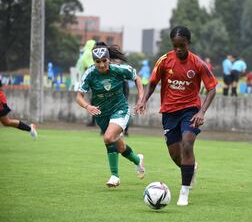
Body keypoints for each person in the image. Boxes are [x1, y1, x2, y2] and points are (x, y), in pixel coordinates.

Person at [138, 26, 217, 206]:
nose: (178, 49)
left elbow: (212, 88)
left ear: (188, 43)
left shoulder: (198, 64)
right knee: (176, 155)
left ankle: (184, 193)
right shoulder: (165, 61)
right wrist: (143, 100)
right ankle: (191, 168)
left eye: (182, 46)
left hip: (190, 110)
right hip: (169, 113)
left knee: (187, 143)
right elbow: (152, 83)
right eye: (175, 46)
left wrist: (201, 111)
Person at [76, 42, 145, 187]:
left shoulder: (119, 70)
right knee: (118, 146)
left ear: (109, 59)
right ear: (94, 61)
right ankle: (138, 161)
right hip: (101, 114)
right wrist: (87, 106)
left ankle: (115, 176)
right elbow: (79, 96)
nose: (101, 65)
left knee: (108, 137)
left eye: (104, 61)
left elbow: (137, 78)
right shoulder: (89, 74)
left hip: (120, 109)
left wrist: (141, 98)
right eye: (97, 62)